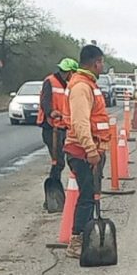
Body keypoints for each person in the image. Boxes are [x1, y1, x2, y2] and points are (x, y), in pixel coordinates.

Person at [63, 45, 112, 258]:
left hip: (90, 150)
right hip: (81, 151)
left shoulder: (89, 85)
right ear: (95, 62)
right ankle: (76, 240)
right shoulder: (81, 87)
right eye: (101, 62)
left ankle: (86, 236)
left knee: (91, 195)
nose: (103, 66)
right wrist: (91, 150)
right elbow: (80, 123)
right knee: (86, 196)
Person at [37, 57, 78, 204]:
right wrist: (51, 112)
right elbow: (45, 101)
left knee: (61, 161)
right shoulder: (50, 81)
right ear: (70, 72)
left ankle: (54, 195)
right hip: (50, 127)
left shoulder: (69, 85)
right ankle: (52, 196)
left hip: (62, 127)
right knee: (58, 161)